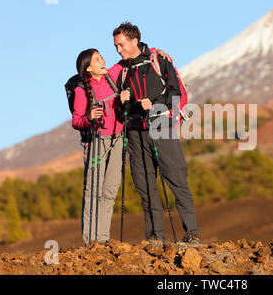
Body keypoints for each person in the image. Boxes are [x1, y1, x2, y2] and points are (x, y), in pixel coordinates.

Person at [113, 22, 201, 245]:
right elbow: (119, 106)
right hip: (135, 132)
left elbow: (175, 93)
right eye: (115, 46)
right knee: (144, 185)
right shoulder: (122, 71)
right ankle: (155, 237)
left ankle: (192, 233)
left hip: (161, 127)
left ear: (134, 40)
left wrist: (153, 103)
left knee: (176, 178)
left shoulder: (159, 61)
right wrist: (122, 102)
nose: (118, 50)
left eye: (121, 45)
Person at [73, 47, 168, 245]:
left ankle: (103, 239)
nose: (103, 61)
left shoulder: (112, 75)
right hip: (97, 141)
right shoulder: (81, 90)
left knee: (110, 189)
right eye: (97, 60)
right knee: (93, 190)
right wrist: (89, 117)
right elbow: (76, 121)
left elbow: (131, 54)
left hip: (117, 139)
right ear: (89, 68)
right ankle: (90, 240)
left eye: (101, 58)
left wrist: (153, 51)